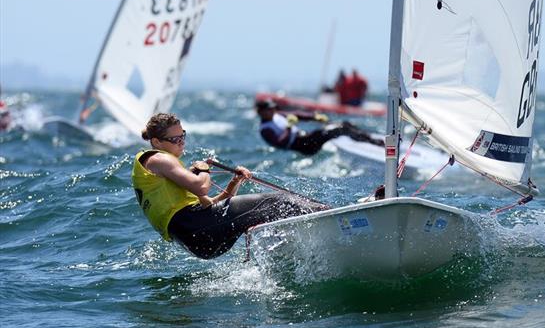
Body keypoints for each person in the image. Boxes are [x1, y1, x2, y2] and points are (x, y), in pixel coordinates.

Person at [132, 112, 326, 259]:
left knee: (265, 214)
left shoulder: (161, 171)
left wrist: (234, 182)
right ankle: (330, 215)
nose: (181, 142)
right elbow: (201, 188)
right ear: (156, 141)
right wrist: (203, 170)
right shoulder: (160, 160)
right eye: (175, 139)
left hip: (197, 238)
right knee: (279, 201)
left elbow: (210, 203)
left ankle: (299, 248)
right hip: (195, 228)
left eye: (183, 135)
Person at [255, 98, 383, 155]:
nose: (271, 111)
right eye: (268, 109)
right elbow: (280, 143)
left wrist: (314, 116)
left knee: (345, 124)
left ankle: (369, 138)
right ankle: (375, 143)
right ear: (260, 112)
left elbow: (296, 115)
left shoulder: (278, 114)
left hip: (307, 138)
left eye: (272, 108)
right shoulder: (265, 130)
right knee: (339, 129)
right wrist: (289, 127)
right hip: (304, 146)